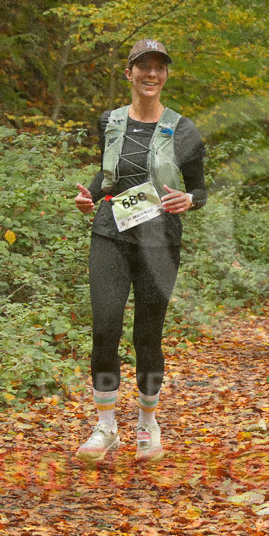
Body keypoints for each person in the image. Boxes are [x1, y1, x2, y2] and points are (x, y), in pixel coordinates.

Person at [73, 39, 207, 464]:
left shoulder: (183, 129)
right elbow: (108, 173)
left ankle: (148, 424)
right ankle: (105, 426)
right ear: (128, 73)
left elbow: (200, 186)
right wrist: (90, 195)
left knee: (147, 334)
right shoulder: (109, 121)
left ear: (165, 75)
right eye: (143, 67)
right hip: (110, 232)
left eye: (159, 68)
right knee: (104, 327)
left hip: (160, 240)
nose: (152, 74)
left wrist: (192, 200)